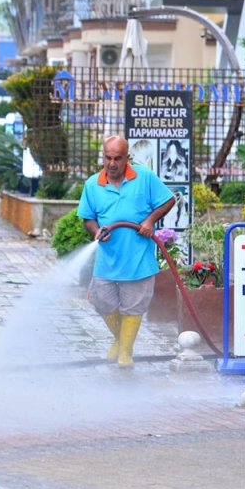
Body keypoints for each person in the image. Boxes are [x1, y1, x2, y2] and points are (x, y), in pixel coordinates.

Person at [78, 135, 175, 367]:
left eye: (117, 159)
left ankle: (125, 353)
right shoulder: (93, 184)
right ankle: (120, 340)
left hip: (137, 258)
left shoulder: (145, 178)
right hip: (107, 259)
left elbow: (168, 200)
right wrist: (95, 230)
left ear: (127, 158)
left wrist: (150, 221)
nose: (112, 163)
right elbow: (87, 217)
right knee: (102, 302)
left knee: (133, 306)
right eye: (108, 158)